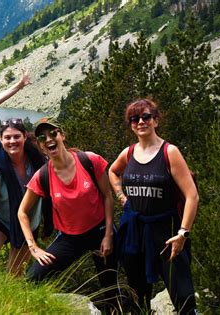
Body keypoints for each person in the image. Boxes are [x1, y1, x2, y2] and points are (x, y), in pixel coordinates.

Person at [17, 117, 118, 311]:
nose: (48, 139)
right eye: (42, 137)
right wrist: (33, 247)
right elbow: (22, 212)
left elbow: (107, 196)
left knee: (110, 287)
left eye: (53, 133)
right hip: (69, 238)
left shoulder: (89, 160)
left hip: (99, 232)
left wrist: (108, 235)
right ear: (40, 146)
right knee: (33, 278)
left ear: (62, 135)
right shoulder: (43, 175)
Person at [108, 99, 198, 314]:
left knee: (182, 293)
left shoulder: (170, 152)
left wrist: (183, 233)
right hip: (135, 231)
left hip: (167, 231)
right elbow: (113, 171)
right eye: (134, 118)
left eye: (146, 117)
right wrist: (122, 196)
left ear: (156, 121)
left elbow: (192, 196)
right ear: (131, 125)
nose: (140, 121)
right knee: (138, 293)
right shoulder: (128, 153)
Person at [0, 118, 46, 275]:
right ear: (0, 139)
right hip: (1, 219)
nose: (12, 141)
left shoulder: (37, 160)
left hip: (28, 222)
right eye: (7, 137)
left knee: (15, 275)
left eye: (17, 136)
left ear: (25, 136)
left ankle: (8, 300)